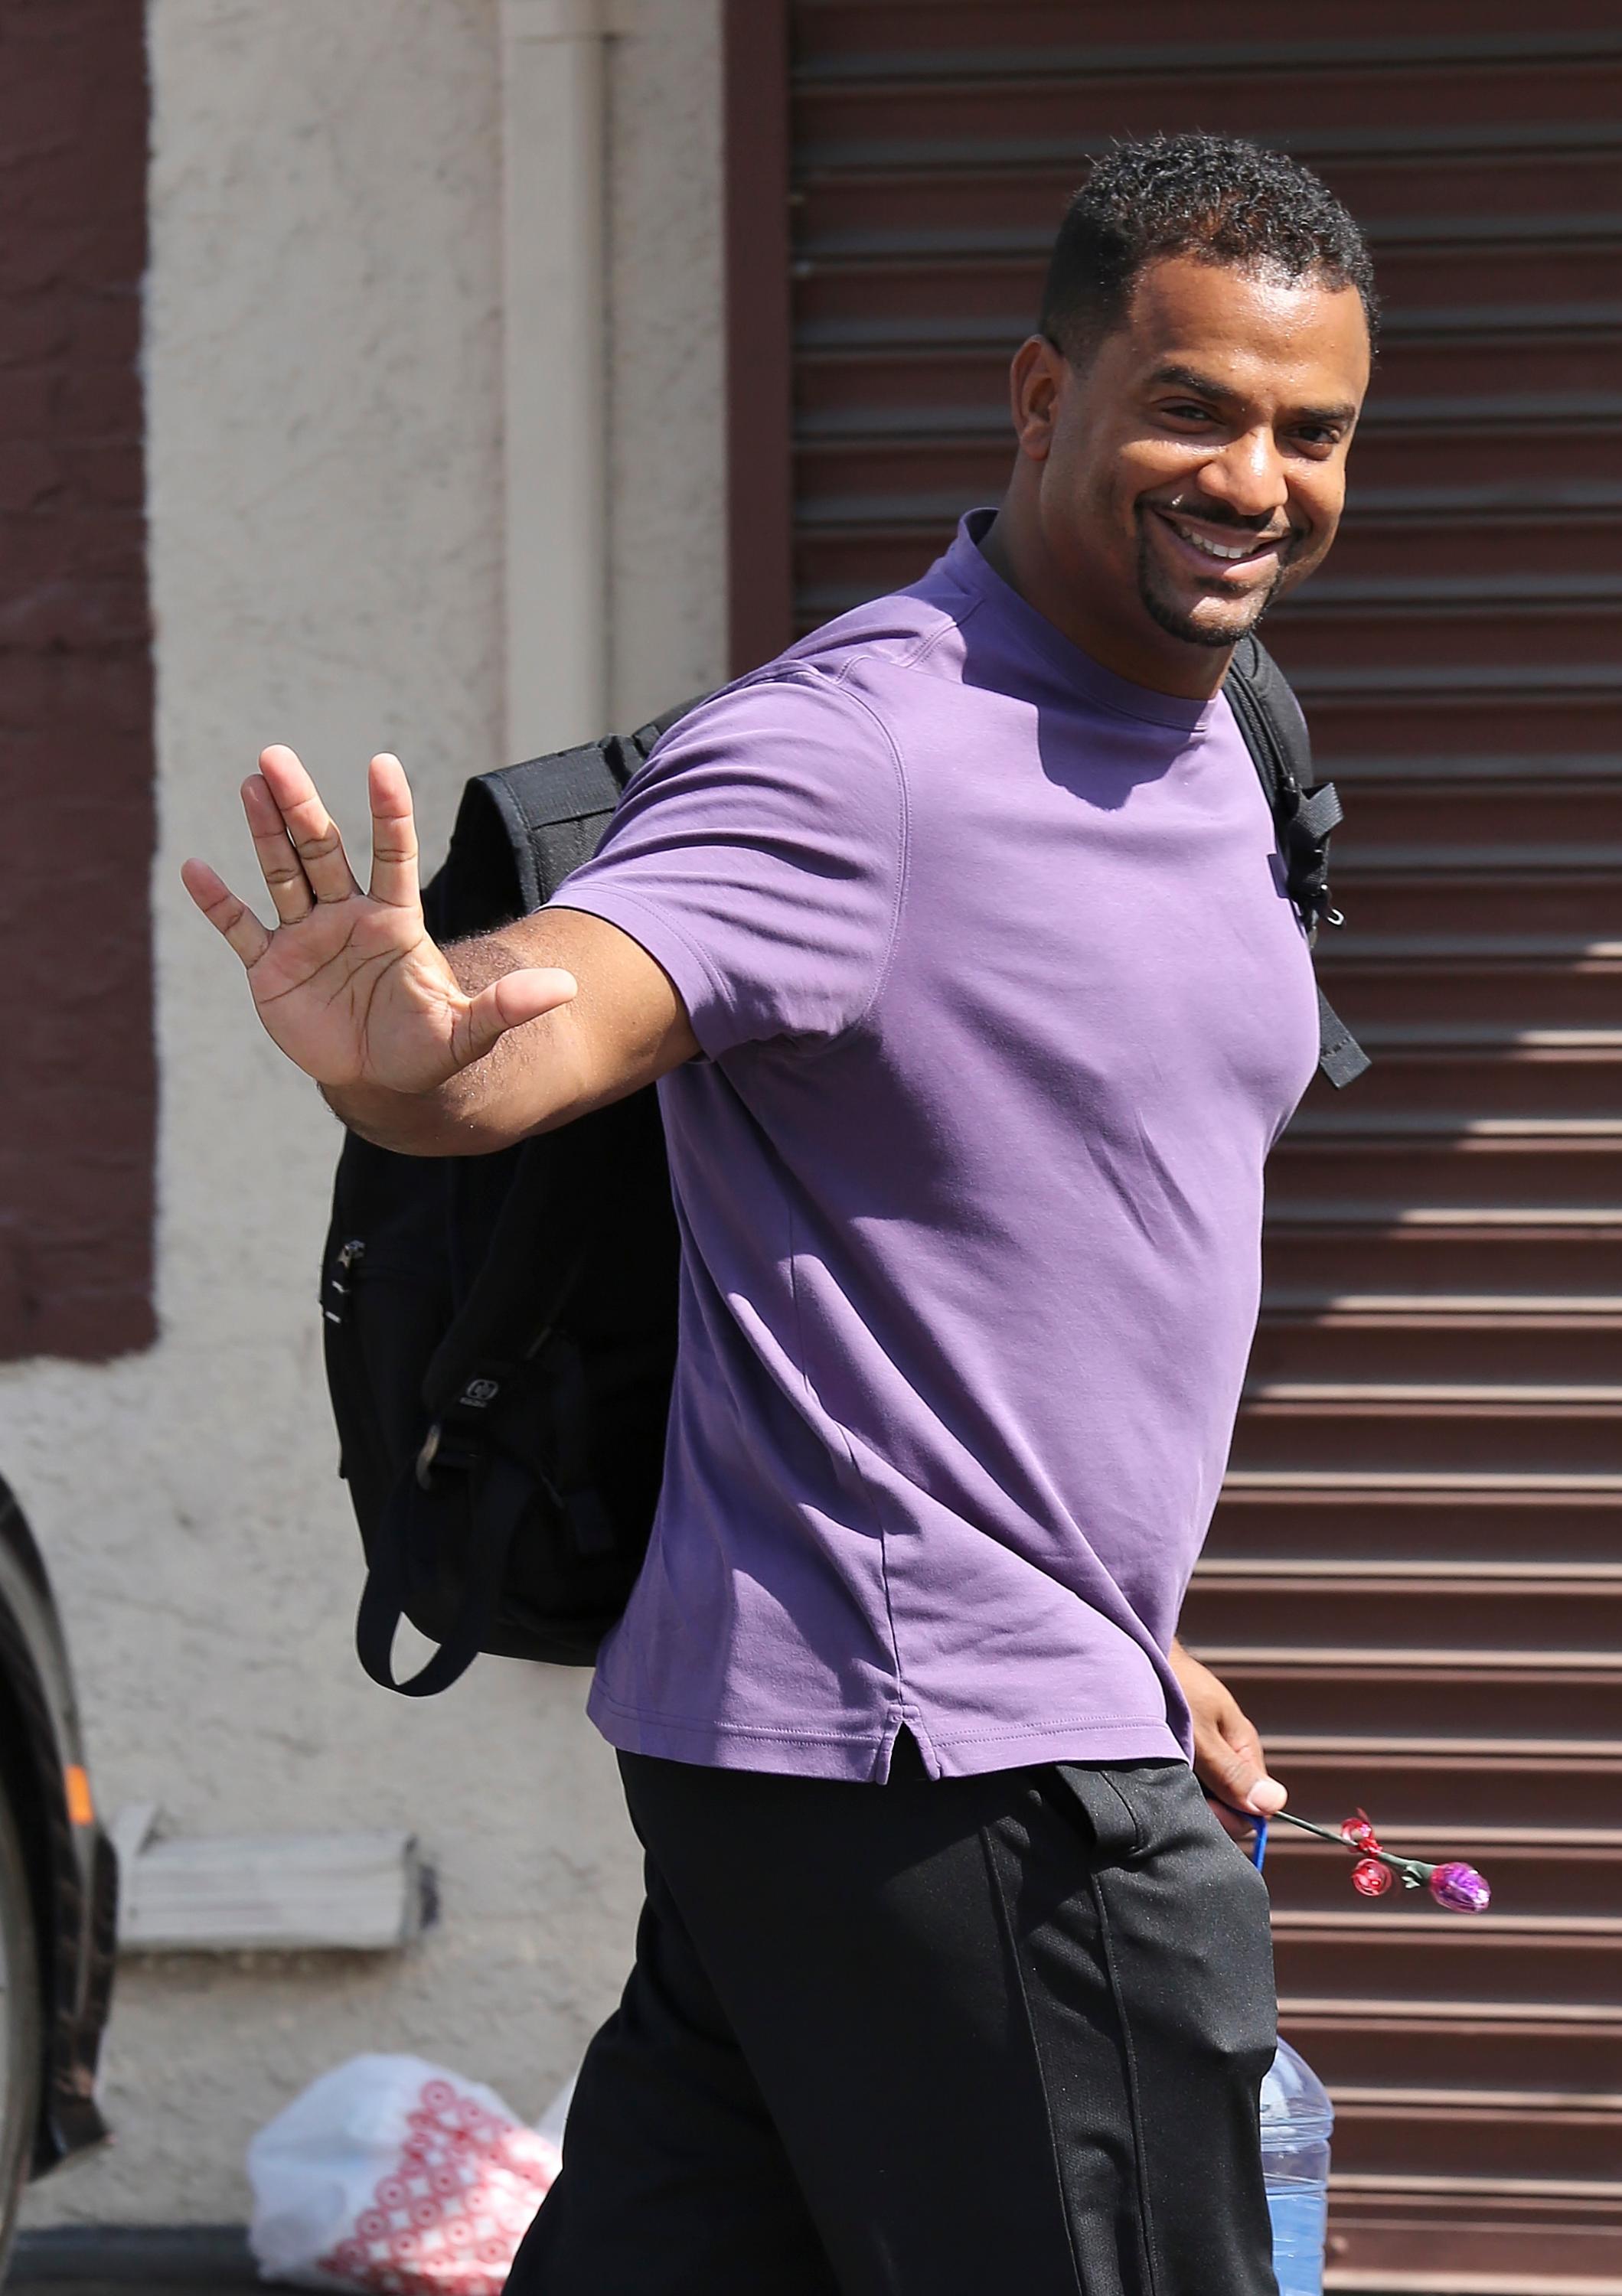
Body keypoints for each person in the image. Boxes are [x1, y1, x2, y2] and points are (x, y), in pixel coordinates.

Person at [184, 132, 1376, 2296]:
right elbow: (569, 1018)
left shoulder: (1221, 738)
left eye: (1313, 430)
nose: (1256, 476)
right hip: (951, 1783)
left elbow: (1029, 1251)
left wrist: (1128, 1633)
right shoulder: (857, 752)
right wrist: (422, 1063)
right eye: (1193, 406)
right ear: (1044, 398)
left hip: (897, 1740)